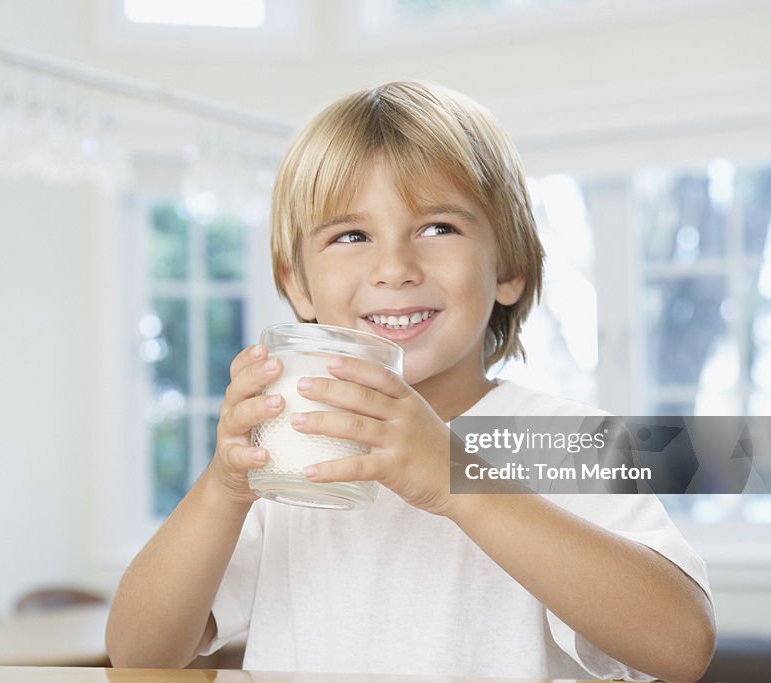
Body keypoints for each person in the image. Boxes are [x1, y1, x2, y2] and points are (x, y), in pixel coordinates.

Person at [106, 80, 716, 681]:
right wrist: (223, 488)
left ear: (508, 268)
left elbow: (681, 647)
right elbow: (140, 656)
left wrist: (457, 482)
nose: (395, 268)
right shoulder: (290, 452)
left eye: (437, 228)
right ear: (297, 285)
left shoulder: (562, 439)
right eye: (351, 236)